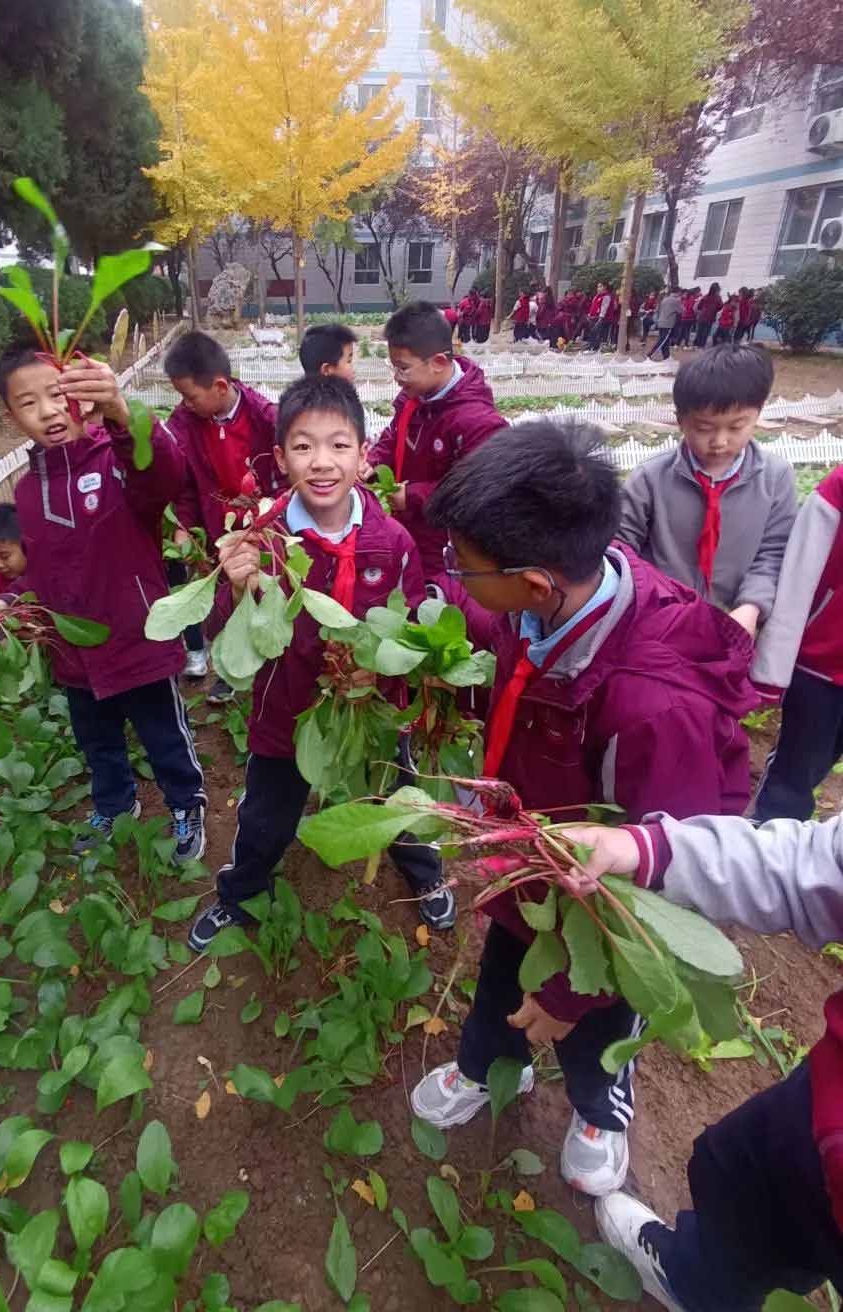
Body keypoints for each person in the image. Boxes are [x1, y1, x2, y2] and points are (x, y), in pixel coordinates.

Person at [410, 420, 757, 1198]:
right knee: (501, 981)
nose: (458, 578)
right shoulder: (546, 604)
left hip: (610, 906)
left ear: (534, 581)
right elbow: (503, 669)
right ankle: (483, 1067)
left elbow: (655, 885)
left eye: (464, 568)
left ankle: (601, 1110)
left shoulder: (653, 707)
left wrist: (572, 994)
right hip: (531, 861)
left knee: (596, 1025)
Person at [187, 376, 455, 950]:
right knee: (266, 814)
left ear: (363, 454)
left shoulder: (394, 542)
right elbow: (219, 635)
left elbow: (409, 636)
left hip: (369, 710)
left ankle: (424, 874)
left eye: (339, 445)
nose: (322, 462)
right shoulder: (262, 539)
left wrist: (377, 674)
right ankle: (239, 892)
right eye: (304, 447)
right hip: (286, 709)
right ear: (281, 458)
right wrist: (233, 589)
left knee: (393, 795)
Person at [563, 812, 843, 1312]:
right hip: (827, 1100)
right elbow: (814, 864)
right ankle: (694, 1279)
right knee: (738, 1173)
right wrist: (655, 851)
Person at [0, 346, 206, 857]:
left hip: (139, 641)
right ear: (12, 416)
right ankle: (115, 805)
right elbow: (34, 567)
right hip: (73, 656)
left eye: (57, 394)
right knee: (98, 743)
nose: (47, 411)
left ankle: (186, 803)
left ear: (82, 397)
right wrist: (16, 606)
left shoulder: (118, 461)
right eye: (28, 403)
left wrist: (121, 412)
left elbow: (166, 473)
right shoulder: (26, 493)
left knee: (164, 737)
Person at [620, 344, 797, 637]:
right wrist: (650, 601)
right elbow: (622, 547)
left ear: (758, 414)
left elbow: (774, 553)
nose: (719, 441)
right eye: (704, 428)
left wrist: (751, 606)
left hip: (736, 624)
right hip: (658, 622)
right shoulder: (650, 479)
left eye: (736, 426)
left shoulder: (775, 479)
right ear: (680, 420)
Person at [165, 331, 281, 697]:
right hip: (217, 531)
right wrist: (185, 526)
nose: (184, 403)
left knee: (266, 595)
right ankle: (229, 672)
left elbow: (285, 477)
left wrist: (271, 523)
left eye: (189, 396)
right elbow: (184, 484)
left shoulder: (267, 418)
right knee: (223, 600)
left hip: (266, 530)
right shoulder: (184, 423)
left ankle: (272, 670)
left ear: (219, 386)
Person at [364, 300, 507, 579]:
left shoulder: (476, 422)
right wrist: (373, 462)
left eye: (403, 368)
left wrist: (413, 496)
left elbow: (475, 490)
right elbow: (394, 436)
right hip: (407, 530)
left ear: (438, 363)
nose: (396, 377)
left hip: (445, 548)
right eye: (392, 366)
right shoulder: (414, 397)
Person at [752, 464, 843, 820]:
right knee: (794, 775)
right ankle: (764, 845)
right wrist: (771, 672)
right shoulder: (837, 491)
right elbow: (798, 576)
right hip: (821, 666)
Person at [648, 285, 682, 361]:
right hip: (668, 324)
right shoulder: (676, 300)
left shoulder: (665, 299)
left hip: (661, 322)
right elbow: (682, 310)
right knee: (662, 340)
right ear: (678, 292)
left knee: (665, 341)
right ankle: (650, 354)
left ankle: (666, 357)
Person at [693, 282, 723, 348]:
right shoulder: (718, 298)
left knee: (699, 331)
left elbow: (699, 306)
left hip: (702, 316)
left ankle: (696, 343)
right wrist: (715, 310)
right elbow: (720, 306)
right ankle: (701, 345)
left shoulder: (705, 296)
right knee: (705, 332)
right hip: (710, 317)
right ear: (717, 290)